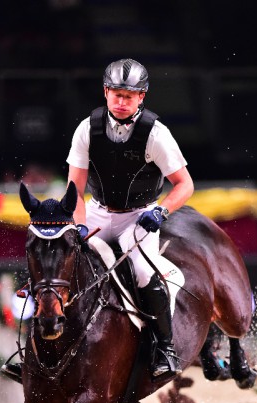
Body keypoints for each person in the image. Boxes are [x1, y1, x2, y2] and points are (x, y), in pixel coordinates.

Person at [67, 58, 194, 381]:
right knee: (62, 259)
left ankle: (165, 348)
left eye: (129, 96)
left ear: (142, 97)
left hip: (139, 215)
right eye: (117, 94)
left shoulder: (156, 134)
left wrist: (161, 211)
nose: (122, 102)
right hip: (96, 210)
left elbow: (185, 184)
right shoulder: (87, 129)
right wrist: (80, 226)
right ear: (106, 92)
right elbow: (75, 189)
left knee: (140, 270)